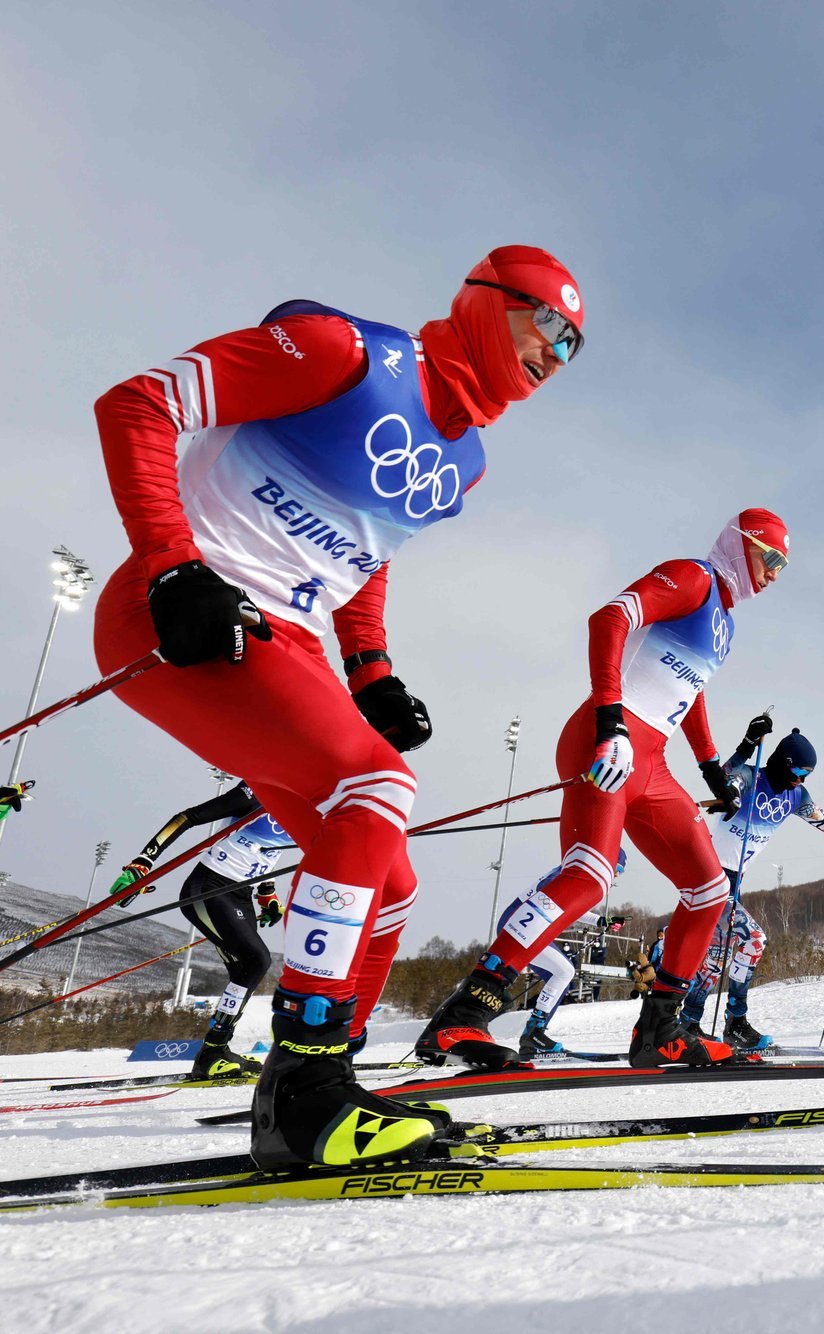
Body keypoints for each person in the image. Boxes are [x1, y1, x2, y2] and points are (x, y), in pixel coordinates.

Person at [91, 245, 585, 1169]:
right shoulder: (343, 351)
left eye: (575, 347)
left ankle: (332, 1076)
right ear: (488, 302)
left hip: (293, 639)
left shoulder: (465, 461)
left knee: (390, 880)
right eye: (548, 325)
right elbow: (138, 404)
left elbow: (365, 548)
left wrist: (373, 672)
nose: (556, 354)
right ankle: (305, 1100)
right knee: (374, 785)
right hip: (192, 609)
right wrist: (170, 565)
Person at [418, 509, 792, 1071]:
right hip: (609, 740)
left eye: (783, 567)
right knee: (590, 876)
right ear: (743, 545)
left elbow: (690, 691)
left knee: (709, 890)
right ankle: (463, 1014)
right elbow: (610, 618)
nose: (774, 574)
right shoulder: (692, 576)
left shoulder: (726, 623)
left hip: (653, 761)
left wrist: (712, 768)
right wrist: (610, 724)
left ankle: (659, 1030)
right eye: (771, 557)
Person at [682, 717, 824, 1049]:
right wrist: (747, 744)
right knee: (754, 941)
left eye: (807, 775)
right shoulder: (751, 777)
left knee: (716, 957)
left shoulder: (797, 796)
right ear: (784, 762)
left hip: (733, 882)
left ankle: (688, 1023)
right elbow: (722, 781)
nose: (801, 780)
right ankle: (736, 1023)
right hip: (708, 874)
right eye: (799, 772)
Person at [108, 780, 289, 1079]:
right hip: (210, 888)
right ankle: (213, 1049)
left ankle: (214, 1053)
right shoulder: (261, 788)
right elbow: (187, 818)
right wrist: (144, 861)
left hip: (241, 892)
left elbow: (268, 848)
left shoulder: (307, 806)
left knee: (245, 971)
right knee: (257, 960)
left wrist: (266, 891)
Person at [516, 847, 628, 1057]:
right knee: (564, 971)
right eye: (615, 871)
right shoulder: (575, 873)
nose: (614, 878)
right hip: (524, 927)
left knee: (559, 980)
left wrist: (601, 921)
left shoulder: (577, 872)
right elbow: (556, 900)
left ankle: (534, 1035)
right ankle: (532, 1033)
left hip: (528, 927)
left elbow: (570, 907)